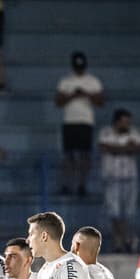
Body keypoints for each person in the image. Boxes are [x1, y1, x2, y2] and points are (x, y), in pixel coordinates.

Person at [98, 108, 140, 253]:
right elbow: (105, 147)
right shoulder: (106, 132)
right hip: (112, 179)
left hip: (130, 179)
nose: (127, 125)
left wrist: (128, 148)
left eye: (128, 122)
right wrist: (128, 148)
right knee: (114, 212)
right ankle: (118, 241)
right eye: (124, 122)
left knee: (129, 213)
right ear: (117, 122)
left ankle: (128, 239)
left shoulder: (134, 133)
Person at [55, 51, 104, 196]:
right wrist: (73, 95)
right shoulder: (65, 81)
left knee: (84, 155)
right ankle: (68, 184)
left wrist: (86, 94)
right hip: (70, 121)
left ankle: (82, 184)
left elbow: (101, 102)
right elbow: (58, 102)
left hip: (86, 122)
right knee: (68, 155)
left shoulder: (93, 81)